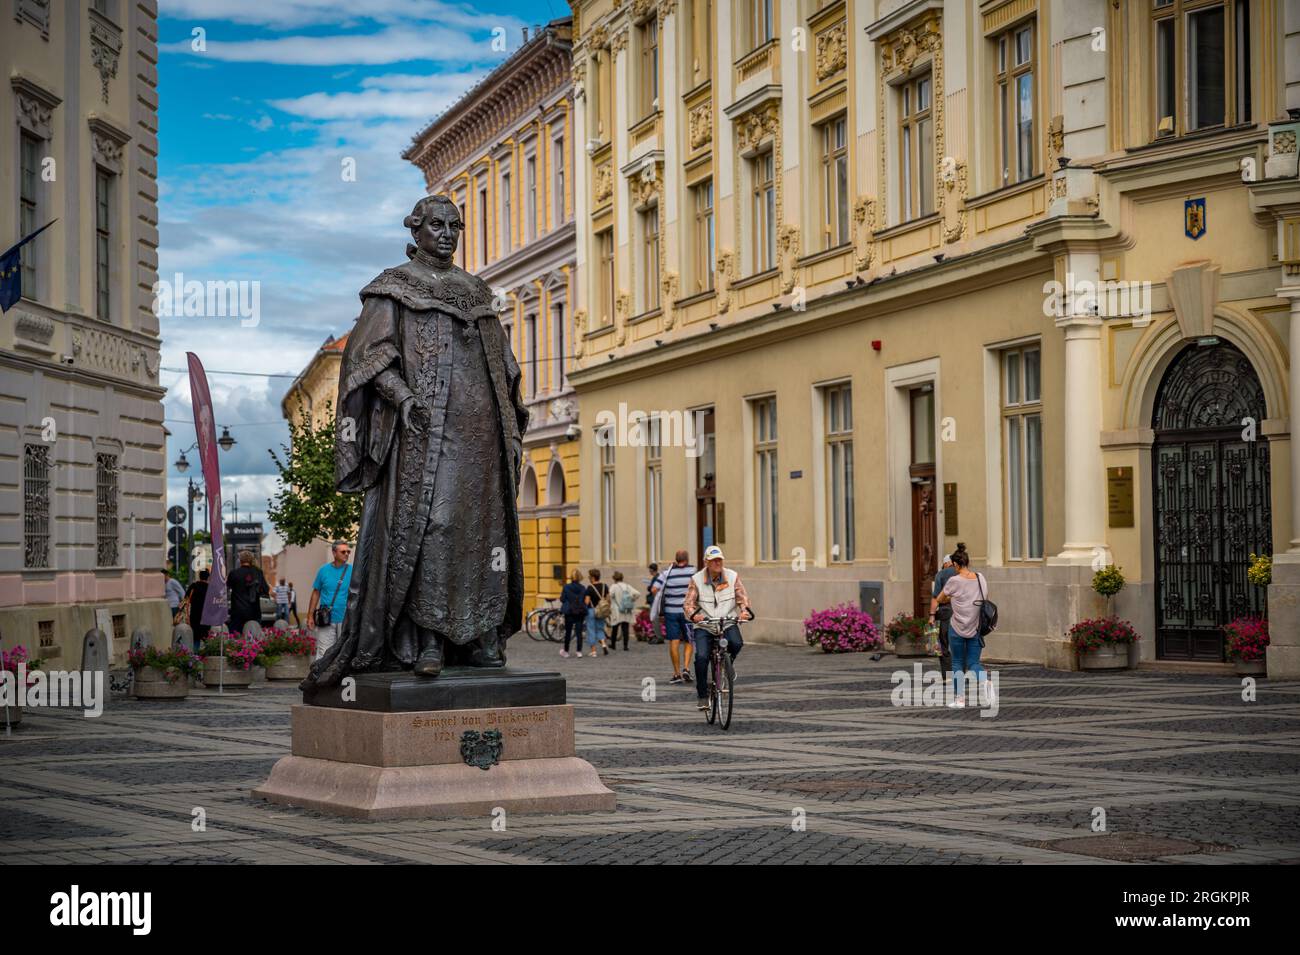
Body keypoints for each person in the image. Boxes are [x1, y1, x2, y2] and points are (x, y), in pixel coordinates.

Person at [685, 546, 751, 710]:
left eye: (719, 560)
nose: (717, 563)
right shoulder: (697, 579)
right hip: (705, 624)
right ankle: (702, 695)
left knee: (736, 643)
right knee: (701, 657)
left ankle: (726, 666)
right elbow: (688, 604)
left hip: (726, 621)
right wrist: (694, 615)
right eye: (714, 560)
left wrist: (743, 611)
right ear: (706, 562)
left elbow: (741, 598)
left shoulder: (732, 576)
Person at [938, 548, 992, 708]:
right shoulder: (980, 578)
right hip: (975, 627)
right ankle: (985, 681)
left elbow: (940, 598)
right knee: (973, 662)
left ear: (955, 564)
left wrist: (952, 596)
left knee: (957, 663)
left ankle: (959, 699)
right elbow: (985, 597)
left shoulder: (954, 581)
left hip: (957, 628)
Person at [655, 550, 697, 684]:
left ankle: (676, 673)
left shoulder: (667, 573)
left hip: (670, 612)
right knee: (689, 639)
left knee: (674, 640)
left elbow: (654, 589)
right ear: (687, 558)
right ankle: (686, 668)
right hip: (688, 611)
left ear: (676, 559)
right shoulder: (693, 572)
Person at [308, 541, 353, 661]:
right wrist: (310, 616)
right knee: (323, 652)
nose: (346, 554)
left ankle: (341, 679)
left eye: (348, 551)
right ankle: (319, 678)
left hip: (346, 619)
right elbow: (316, 593)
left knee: (344, 653)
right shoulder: (323, 571)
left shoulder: (353, 571)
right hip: (326, 619)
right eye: (343, 552)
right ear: (334, 553)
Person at [929, 542, 966, 674]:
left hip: (946, 613)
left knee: (944, 645)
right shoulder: (965, 573)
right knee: (961, 643)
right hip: (963, 612)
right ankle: (962, 673)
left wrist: (932, 615)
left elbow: (936, 598)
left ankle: (948, 675)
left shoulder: (941, 574)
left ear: (946, 563)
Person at [225, 550, 269, 635]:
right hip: (254, 611)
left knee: (235, 639)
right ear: (251, 560)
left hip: (237, 611)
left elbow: (227, 587)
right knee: (254, 639)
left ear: (240, 560)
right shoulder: (258, 572)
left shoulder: (234, 573)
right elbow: (265, 589)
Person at [607, 571, 640, 651]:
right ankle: (625, 646)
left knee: (615, 628)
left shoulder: (614, 586)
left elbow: (609, 595)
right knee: (625, 628)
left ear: (614, 578)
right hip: (626, 609)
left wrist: (609, 603)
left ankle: (613, 645)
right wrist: (632, 600)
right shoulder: (627, 586)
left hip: (617, 610)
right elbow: (638, 593)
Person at [559, 569, 587, 658]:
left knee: (568, 631)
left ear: (571, 577)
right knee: (579, 632)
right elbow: (584, 600)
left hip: (569, 611)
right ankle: (579, 651)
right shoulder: (583, 588)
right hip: (579, 611)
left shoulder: (566, 587)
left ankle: (566, 651)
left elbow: (562, 599)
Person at [585, 568, 611, 657]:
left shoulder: (589, 588)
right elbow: (608, 599)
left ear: (592, 577)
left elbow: (587, 602)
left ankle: (593, 651)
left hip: (591, 610)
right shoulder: (605, 586)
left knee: (591, 630)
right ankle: (603, 644)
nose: (588, 578)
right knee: (600, 628)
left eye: (589, 576)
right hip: (601, 611)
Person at [185, 569, 211, 653]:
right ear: (208, 577)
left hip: (194, 616)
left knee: (196, 638)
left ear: (199, 576)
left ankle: (195, 658)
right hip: (206, 617)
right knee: (206, 638)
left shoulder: (193, 586)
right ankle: (207, 656)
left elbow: (186, 599)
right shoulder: (210, 588)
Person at [644, 561, 664, 644]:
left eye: (650, 570)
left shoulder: (657, 577)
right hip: (655, 600)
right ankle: (657, 636)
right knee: (654, 618)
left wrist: (649, 587)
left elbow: (653, 589)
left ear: (652, 570)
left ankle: (659, 637)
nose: (649, 571)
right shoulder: (656, 577)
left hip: (655, 600)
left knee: (654, 618)